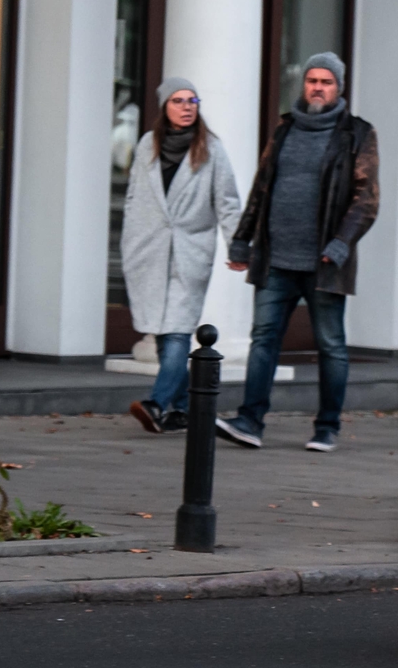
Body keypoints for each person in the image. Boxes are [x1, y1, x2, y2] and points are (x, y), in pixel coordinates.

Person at [217, 53, 379, 453]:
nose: (318, 87)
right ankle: (249, 421)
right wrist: (242, 240)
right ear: (303, 86)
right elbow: (261, 188)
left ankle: (327, 428)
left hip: (324, 262)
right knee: (263, 341)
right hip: (275, 259)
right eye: (312, 81)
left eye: (326, 81)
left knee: (331, 345)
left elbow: (366, 199)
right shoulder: (285, 130)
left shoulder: (356, 134)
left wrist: (340, 244)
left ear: (339, 87)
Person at [119, 78, 240, 434]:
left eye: (192, 100)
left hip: (190, 252)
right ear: (165, 107)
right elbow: (134, 196)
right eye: (178, 100)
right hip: (148, 250)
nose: (187, 107)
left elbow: (228, 201)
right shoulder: (147, 145)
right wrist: (130, 237)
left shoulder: (211, 148)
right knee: (160, 331)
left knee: (177, 332)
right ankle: (187, 409)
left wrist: (237, 245)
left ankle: (156, 405)